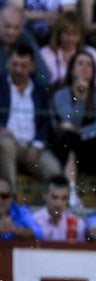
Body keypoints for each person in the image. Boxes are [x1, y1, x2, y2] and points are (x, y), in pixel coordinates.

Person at [49, 50, 96, 198]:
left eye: (89, 65)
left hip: (90, 141)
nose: (85, 68)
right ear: (71, 69)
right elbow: (69, 120)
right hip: (66, 143)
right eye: (80, 64)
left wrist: (82, 133)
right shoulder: (61, 94)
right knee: (69, 138)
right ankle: (71, 194)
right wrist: (80, 98)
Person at [1, 45, 64, 185]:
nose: (18, 70)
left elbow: (46, 122)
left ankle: (51, 206)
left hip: (32, 146)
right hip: (7, 143)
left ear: (32, 67)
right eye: (14, 64)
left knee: (54, 169)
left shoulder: (40, 91)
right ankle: (10, 199)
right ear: (8, 63)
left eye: (23, 66)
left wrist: (36, 146)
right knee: (5, 145)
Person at [41, 12, 96, 89]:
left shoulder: (91, 53)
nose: (70, 38)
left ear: (80, 35)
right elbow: (44, 85)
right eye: (67, 33)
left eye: (75, 34)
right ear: (58, 34)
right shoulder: (45, 53)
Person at [33, 175, 87, 241]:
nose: (59, 203)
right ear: (44, 195)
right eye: (54, 197)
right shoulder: (33, 221)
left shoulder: (77, 224)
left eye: (64, 198)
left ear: (68, 198)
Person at [0, 175, 42, 240]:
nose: (0, 200)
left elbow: (39, 233)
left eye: (4, 196)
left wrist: (14, 229)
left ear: (12, 198)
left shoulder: (21, 211)